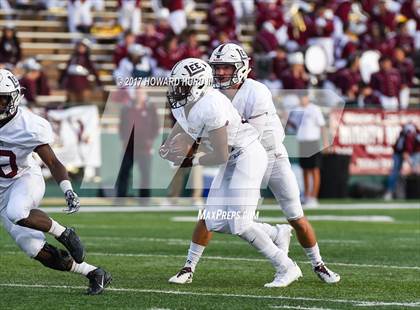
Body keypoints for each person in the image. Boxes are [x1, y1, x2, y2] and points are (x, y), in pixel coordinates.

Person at [169, 44, 340, 285]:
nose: (221, 73)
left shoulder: (256, 92)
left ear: (241, 68)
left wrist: (195, 151)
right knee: (211, 215)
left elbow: (252, 138)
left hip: (268, 155)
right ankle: (189, 266)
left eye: (227, 67)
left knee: (295, 216)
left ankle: (318, 264)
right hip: (235, 155)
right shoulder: (211, 96)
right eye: (217, 68)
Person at [163, 58, 300, 288]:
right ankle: (275, 232)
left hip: (247, 154)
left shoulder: (212, 104)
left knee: (240, 224)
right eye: (176, 83)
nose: (177, 89)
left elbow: (220, 156)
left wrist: (189, 161)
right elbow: (184, 126)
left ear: (198, 85)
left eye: (182, 84)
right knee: (213, 220)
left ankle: (286, 266)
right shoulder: (185, 101)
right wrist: (168, 144)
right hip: (233, 157)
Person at [0, 69, 111, 295]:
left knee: (16, 211)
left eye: (0, 99)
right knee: (34, 249)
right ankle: (93, 272)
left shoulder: (29, 125)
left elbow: (52, 162)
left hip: (23, 179)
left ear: (13, 98)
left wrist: (68, 190)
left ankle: (63, 233)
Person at [116, 88, 159, 199]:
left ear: (145, 94)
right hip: (129, 147)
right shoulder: (126, 108)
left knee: (145, 174)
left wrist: (150, 139)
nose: (139, 95)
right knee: (124, 173)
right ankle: (121, 197)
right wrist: (124, 139)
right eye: (137, 92)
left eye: (141, 93)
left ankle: (144, 198)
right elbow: (121, 126)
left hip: (144, 148)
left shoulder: (150, 108)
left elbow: (156, 126)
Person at [292, 94, 329, 208]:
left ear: (307, 97)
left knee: (314, 170)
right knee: (305, 170)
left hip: (313, 142)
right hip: (302, 142)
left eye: (303, 97)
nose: (301, 99)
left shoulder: (314, 109)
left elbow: (322, 126)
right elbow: (294, 126)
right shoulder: (298, 110)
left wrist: (325, 142)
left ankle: (313, 197)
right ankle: (307, 195)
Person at [384, 123, 418, 200]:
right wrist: (413, 165)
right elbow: (405, 154)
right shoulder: (405, 139)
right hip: (398, 154)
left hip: (408, 153)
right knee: (395, 172)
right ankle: (389, 192)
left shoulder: (415, 137)